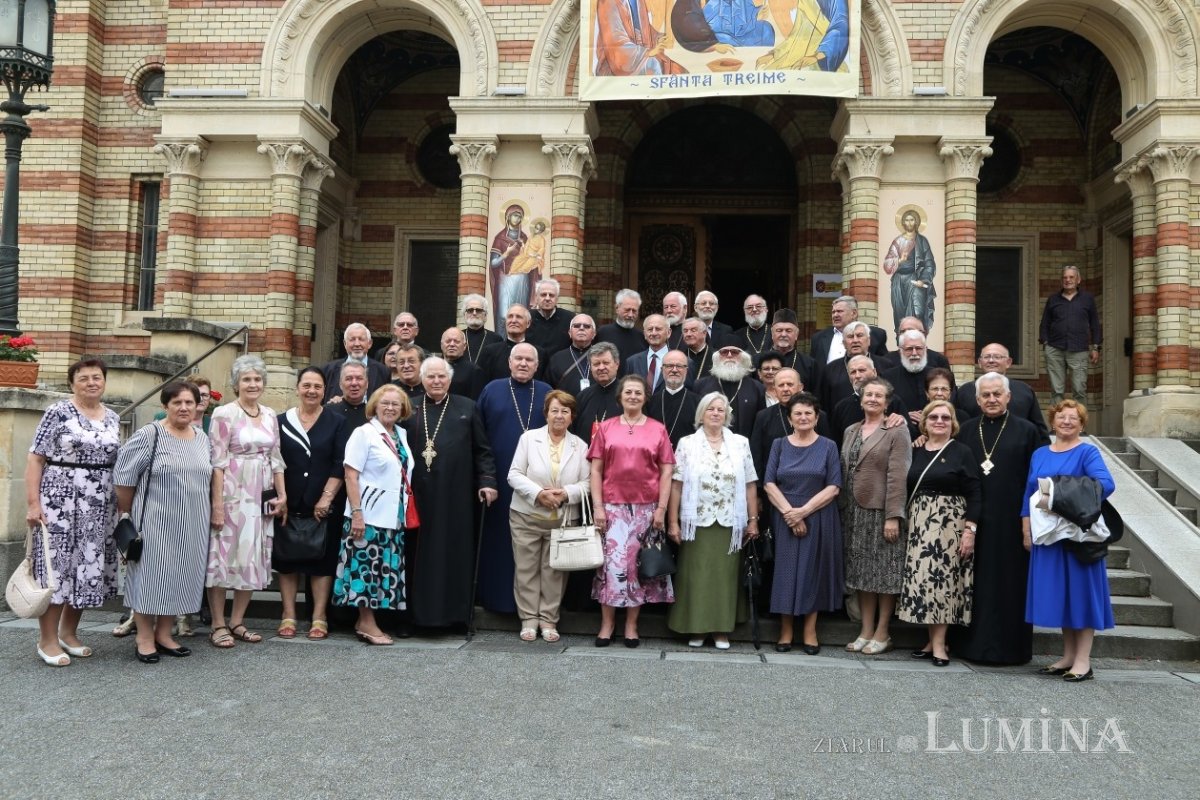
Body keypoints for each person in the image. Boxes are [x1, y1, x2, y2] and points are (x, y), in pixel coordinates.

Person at [25, 358, 120, 666]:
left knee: (87, 566)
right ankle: (47, 640)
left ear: (104, 381)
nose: (92, 382)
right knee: (58, 568)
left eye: (97, 377)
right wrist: (33, 504)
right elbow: (36, 458)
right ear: (72, 383)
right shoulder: (58, 412)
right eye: (84, 378)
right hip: (60, 502)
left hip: (98, 504)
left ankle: (69, 632)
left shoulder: (114, 417)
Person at [949, 372, 1047, 665]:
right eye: (985, 395)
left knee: (1010, 583)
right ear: (977, 400)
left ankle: (1012, 650)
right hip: (974, 519)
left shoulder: (1028, 431)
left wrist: (1029, 520)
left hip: (1013, 521)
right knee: (974, 584)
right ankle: (970, 647)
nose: (991, 399)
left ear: (1008, 397)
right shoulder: (966, 430)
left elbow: (1036, 480)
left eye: (997, 394)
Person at [114, 382, 213, 663]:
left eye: (189, 403)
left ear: (197, 406)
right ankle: (144, 636)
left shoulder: (202, 438)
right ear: (165, 406)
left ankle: (164, 634)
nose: (183, 408)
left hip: (193, 521)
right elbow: (123, 477)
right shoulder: (150, 435)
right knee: (151, 576)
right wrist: (127, 513)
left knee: (180, 575)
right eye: (177, 403)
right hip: (155, 521)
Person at [403, 357, 499, 630]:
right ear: (422, 380)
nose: (436, 381)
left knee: (453, 553)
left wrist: (488, 481)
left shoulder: (467, 407)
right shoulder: (408, 409)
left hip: (455, 495)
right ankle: (413, 618)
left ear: (450, 379)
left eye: (441, 377)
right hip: (417, 496)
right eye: (431, 377)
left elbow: (483, 449)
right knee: (416, 557)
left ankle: (455, 618)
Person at [1023, 400, 1115, 682]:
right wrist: (1025, 524)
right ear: (1052, 422)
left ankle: (1083, 661)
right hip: (1048, 535)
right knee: (1063, 596)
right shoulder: (1040, 453)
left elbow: (1106, 484)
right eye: (1061, 417)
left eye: (1073, 418)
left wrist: (1059, 494)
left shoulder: (1087, 451)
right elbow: (1028, 490)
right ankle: (1067, 656)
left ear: (1082, 424)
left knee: (1082, 596)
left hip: (1078, 536)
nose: (1066, 422)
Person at [206, 355, 287, 649]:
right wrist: (217, 505)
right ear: (236, 383)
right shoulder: (224, 414)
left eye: (257, 379)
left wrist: (282, 494)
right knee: (223, 554)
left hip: (260, 493)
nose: (253, 384)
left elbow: (276, 458)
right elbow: (217, 462)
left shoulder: (269, 414)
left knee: (252, 555)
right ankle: (217, 623)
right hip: (231, 491)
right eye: (246, 379)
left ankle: (237, 620)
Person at [589, 375, 675, 647]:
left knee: (637, 568)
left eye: (638, 392)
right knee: (611, 567)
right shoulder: (605, 427)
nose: (633, 397)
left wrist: (661, 509)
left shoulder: (658, 429)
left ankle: (631, 626)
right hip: (612, 508)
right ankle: (607, 624)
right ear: (620, 396)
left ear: (645, 397)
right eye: (629, 392)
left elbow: (666, 471)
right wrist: (598, 506)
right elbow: (595, 470)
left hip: (645, 508)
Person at [667, 393, 758, 649]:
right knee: (696, 576)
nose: (716, 413)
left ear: (727, 415)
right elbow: (676, 485)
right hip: (696, 522)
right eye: (710, 409)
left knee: (724, 578)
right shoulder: (686, 443)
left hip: (730, 523)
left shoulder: (740, 443)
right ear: (701, 414)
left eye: (720, 409)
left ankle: (720, 630)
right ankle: (696, 628)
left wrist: (753, 520)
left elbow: (751, 483)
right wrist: (672, 522)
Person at [897, 401, 982, 667]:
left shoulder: (962, 452)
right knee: (925, 584)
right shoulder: (916, 449)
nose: (939, 421)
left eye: (946, 417)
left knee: (943, 585)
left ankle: (939, 646)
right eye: (933, 416)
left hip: (949, 525)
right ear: (924, 421)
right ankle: (933, 641)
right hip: (920, 525)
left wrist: (970, 530)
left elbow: (975, 493)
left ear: (953, 422)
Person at [334, 385, 415, 646]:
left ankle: (365, 621)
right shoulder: (364, 433)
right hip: (367, 515)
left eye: (395, 404)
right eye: (385, 403)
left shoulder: (400, 434)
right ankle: (367, 622)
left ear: (402, 409)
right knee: (365, 569)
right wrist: (357, 514)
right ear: (375, 407)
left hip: (393, 516)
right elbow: (350, 474)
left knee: (382, 569)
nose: (390, 408)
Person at [508, 390, 591, 642]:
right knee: (526, 569)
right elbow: (514, 474)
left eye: (565, 411)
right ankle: (529, 620)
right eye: (554, 410)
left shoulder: (580, 445)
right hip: (527, 515)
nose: (559, 415)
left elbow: (587, 483)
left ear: (572, 416)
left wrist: (565, 493)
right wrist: (539, 493)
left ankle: (548, 620)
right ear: (546, 413)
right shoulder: (528, 438)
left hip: (563, 519)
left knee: (555, 572)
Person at [763, 392, 843, 654]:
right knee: (786, 573)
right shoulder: (779, 444)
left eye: (808, 413)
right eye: (798, 413)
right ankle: (785, 631)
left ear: (816, 417)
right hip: (784, 514)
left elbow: (834, 486)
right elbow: (769, 482)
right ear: (790, 418)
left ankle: (809, 632)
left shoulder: (829, 446)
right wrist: (790, 513)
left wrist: (804, 512)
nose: (803, 417)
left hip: (819, 515)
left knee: (813, 573)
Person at [476, 343, 551, 614]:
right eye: (518, 358)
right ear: (509, 362)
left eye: (529, 359)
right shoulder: (492, 389)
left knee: (534, 550)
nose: (523, 363)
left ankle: (534, 608)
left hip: (537, 486)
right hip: (498, 481)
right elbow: (480, 436)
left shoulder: (546, 393)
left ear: (536, 364)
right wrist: (486, 478)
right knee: (500, 544)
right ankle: (497, 601)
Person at [273, 367, 347, 641]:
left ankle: (319, 616)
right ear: (297, 388)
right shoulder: (280, 421)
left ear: (324, 391)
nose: (312, 391)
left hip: (324, 505)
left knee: (322, 563)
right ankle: (288, 614)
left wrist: (326, 498)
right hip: (288, 503)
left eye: (317, 386)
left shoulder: (335, 421)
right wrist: (279, 497)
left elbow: (340, 462)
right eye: (307, 385)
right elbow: (274, 461)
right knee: (287, 561)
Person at [841, 378, 911, 655]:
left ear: (887, 402)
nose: (872, 398)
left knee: (885, 574)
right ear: (860, 399)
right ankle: (866, 630)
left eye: (878, 395)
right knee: (861, 575)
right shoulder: (850, 430)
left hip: (881, 512)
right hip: (854, 512)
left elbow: (898, 475)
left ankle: (883, 632)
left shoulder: (896, 430)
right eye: (868, 394)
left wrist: (893, 516)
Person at [750, 367, 832, 478]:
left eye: (790, 384)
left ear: (800, 387)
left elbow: (827, 452)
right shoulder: (763, 417)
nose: (785, 389)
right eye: (781, 385)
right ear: (774, 390)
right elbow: (757, 455)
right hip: (774, 482)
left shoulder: (818, 415)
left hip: (813, 479)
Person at [955, 343, 1049, 439]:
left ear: (1008, 362)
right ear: (979, 362)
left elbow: (1039, 430)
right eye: (987, 357)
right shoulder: (964, 391)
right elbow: (955, 426)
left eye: (997, 357)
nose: (991, 360)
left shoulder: (1024, 390)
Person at [1039, 265, 1101, 404]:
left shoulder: (1087, 299)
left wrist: (1096, 347)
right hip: (1054, 349)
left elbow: (1095, 324)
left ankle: (1080, 425)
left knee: (1079, 390)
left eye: (1071, 277)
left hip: (1079, 350)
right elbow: (1044, 324)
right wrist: (1046, 344)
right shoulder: (1053, 299)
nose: (1068, 280)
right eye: (1065, 277)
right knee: (1057, 391)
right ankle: (1056, 425)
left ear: (1078, 280)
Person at [883, 207, 937, 337]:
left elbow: (930, 263)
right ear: (902, 223)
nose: (909, 223)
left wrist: (923, 280)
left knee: (917, 312)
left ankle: (918, 341)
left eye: (912, 220)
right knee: (899, 314)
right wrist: (899, 261)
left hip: (915, 279)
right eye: (906, 220)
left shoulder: (922, 241)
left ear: (917, 222)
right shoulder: (898, 241)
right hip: (899, 281)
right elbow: (887, 265)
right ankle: (902, 342)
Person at [695, 344, 766, 439]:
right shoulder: (700, 385)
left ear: (743, 357)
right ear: (717, 357)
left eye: (735, 352)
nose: (729, 355)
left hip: (746, 447)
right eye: (724, 352)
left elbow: (760, 425)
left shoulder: (757, 387)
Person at [810, 295, 888, 364]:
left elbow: (884, 366)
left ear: (854, 313)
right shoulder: (818, 338)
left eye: (839, 311)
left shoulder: (875, 335)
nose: (835, 315)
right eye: (833, 312)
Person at [323, 322, 390, 402]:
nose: (357, 344)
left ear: (369, 343)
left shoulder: (383, 372)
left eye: (361, 339)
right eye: (352, 339)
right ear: (345, 344)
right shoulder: (328, 371)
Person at [478, 304, 544, 385]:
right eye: (510, 317)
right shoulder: (490, 352)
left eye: (519, 317)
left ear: (528, 323)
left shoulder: (539, 353)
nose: (513, 320)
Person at [489, 204, 535, 320]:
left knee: (521, 313)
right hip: (505, 279)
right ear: (508, 217)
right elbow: (493, 263)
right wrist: (506, 254)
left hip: (522, 280)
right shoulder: (500, 238)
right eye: (514, 215)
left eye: (520, 216)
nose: (517, 218)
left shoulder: (524, 238)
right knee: (504, 314)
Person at [648, 349, 700, 448]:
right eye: (669, 366)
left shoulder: (698, 402)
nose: (674, 370)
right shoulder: (650, 402)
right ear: (662, 369)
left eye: (679, 366)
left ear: (686, 370)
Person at [572, 342, 623, 444]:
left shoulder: (628, 395)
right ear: (591, 367)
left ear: (617, 364)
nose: (601, 368)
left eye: (606, 363)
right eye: (596, 364)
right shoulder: (583, 396)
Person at [768, 308, 816, 389]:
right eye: (779, 330)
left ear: (796, 335)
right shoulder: (758, 361)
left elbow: (815, 396)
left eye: (788, 331)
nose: (783, 334)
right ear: (772, 334)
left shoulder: (809, 364)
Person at [546, 313, 596, 391]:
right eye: (576, 326)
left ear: (594, 334)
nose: (581, 328)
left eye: (586, 326)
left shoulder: (601, 357)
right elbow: (549, 388)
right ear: (569, 333)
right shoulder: (557, 358)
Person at [595, 288, 646, 364]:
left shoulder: (642, 336)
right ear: (617, 308)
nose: (630, 314)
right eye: (627, 310)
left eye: (634, 311)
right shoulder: (602, 333)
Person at [624, 313, 671, 393]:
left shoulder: (682, 361)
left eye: (658, 329)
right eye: (650, 329)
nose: (653, 333)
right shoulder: (632, 362)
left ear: (668, 333)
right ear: (645, 334)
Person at [526, 277, 573, 357]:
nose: (547, 298)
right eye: (543, 295)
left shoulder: (569, 318)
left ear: (557, 298)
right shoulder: (527, 317)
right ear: (536, 297)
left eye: (551, 295)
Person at [439, 327, 483, 400]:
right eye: (448, 341)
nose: (452, 344)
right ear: (441, 345)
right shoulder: (433, 368)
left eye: (456, 341)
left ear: (464, 346)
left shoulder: (474, 371)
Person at [461, 293, 503, 366]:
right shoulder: (456, 338)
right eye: (470, 310)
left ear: (485, 315)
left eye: (478, 310)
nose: (474, 313)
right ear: (465, 314)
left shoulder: (496, 339)